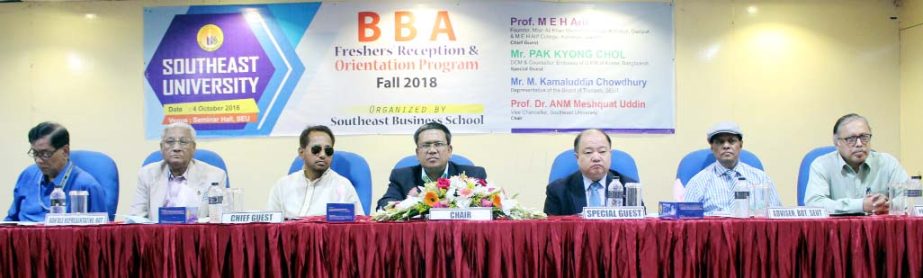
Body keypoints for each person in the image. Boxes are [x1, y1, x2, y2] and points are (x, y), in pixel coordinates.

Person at [805, 113, 910, 214]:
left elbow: (911, 198)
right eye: (851, 139)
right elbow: (814, 204)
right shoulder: (822, 165)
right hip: (837, 231)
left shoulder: (888, 163)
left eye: (864, 137)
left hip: (879, 230)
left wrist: (887, 205)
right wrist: (861, 205)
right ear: (837, 142)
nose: (859, 144)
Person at [5, 122, 107, 221]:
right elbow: (10, 222)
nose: (38, 160)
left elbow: (99, 234)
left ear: (65, 151)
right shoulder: (27, 175)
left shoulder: (87, 186)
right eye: (35, 153)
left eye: (45, 153)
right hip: (26, 237)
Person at [130, 122, 227, 222]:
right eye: (170, 142)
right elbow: (137, 218)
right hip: (157, 236)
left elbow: (219, 221)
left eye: (183, 142)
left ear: (193, 148)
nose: (176, 148)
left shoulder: (215, 176)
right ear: (161, 147)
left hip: (197, 236)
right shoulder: (147, 174)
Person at [377, 122, 487, 209]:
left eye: (438, 144)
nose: (432, 150)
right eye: (425, 145)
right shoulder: (402, 176)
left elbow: (486, 205)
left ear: (449, 150)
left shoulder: (472, 175)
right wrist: (408, 202)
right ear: (417, 152)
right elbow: (384, 204)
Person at [683, 121, 783, 215]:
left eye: (731, 141)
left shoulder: (761, 179)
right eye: (720, 142)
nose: (726, 146)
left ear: (741, 144)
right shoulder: (698, 183)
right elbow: (687, 222)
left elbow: (776, 218)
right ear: (712, 147)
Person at [266, 125, 363, 218]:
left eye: (328, 150)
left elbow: (358, 227)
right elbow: (270, 227)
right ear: (301, 152)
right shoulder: (282, 186)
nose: (322, 155)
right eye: (316, 149)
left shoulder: (343, 186)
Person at [544, 129, 638, 215]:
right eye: (588, 152)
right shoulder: (558, 191)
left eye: (602, 151)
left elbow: (641, 228)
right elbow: (550, 231)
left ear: (610, 154)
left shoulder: (629, 187)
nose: (596, 158)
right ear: (577, 158)